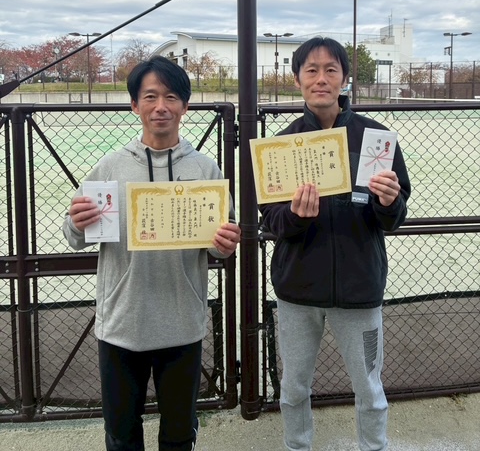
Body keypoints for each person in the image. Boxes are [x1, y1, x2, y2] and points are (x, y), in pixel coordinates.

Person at [63, 56, 241, 451]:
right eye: (150, 97)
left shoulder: (205, 170)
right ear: (134, 105)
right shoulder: (110, 167)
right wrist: (76, 222)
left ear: (185, 107)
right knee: (121, 435)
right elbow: (75, 236)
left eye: (171, 97)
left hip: (182, 324)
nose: (161, 106)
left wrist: (226, 243)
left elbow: (220, 245)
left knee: (179, 435)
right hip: (121, 325)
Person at [259, 37, 410, 451]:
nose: (321, 78)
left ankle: (374, 447)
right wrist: (295, 216)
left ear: (345, 78)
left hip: (360, 289)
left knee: (369, 388)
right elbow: (270, 219)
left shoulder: (376, 139)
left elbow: (394, 218)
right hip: (297, 290)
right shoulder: (281, 146)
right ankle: (297, 446)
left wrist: (388, 202)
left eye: (331, 70)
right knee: (293, 387)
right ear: (297, 80)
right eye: (311, 70)